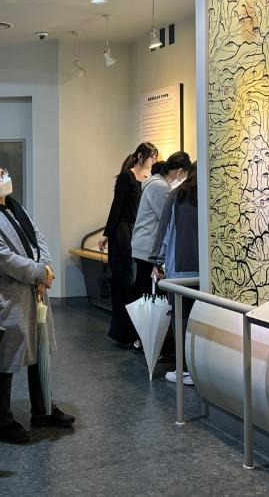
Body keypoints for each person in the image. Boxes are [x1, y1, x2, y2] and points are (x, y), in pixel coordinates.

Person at [0, 161, 75, 443]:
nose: (5, 177)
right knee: (6, 357)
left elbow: (38, 240)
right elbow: (2, 259)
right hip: (8, 296)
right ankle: (0, 421)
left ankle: (43, 409)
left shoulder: (14, 207)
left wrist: (44, 270)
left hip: (34, 289)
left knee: (41, 350)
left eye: (3, 172)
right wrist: (39, 272)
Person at [99, 142, 158, 348]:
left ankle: (136, 331)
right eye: (152, 156)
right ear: (141, 156)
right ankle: (123, 332)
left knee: (137, 283)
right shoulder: (127, 177)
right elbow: (117, 206)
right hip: (124, 233)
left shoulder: (150, 179)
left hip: (140, 232)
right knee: (125, 282)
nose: (154, 161)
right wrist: (107, 234)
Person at [154, 163, 199, 386]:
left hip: (179, 268)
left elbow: (165, 230)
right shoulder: (214, 193)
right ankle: (201, 368)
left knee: (180, 317)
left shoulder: (178, 194)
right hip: (207, 270)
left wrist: (157, 261)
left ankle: (184, 368)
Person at [131, 152, 192, 299]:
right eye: (186, 175)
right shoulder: (161, 186)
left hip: (143, 243)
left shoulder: (155, 182)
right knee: (148, 292)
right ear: (180, 171)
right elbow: (166, 217)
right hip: (148, 245)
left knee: (144, 289)